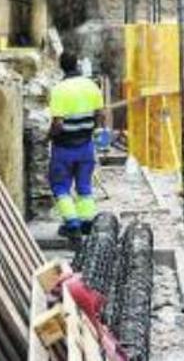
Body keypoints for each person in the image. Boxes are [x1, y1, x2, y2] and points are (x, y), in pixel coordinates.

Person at [48, 51, 105, 237]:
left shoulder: (59, 90)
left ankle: (72, 223)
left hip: (64, 147)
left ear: (61, 66)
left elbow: (57, 123)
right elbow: (100, 115)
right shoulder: (92, 86)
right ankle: (86, 221)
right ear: (78, 65)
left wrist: (49, 136)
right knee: (84, 185)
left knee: (60, 186)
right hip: (86, 146)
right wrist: (89, 129)